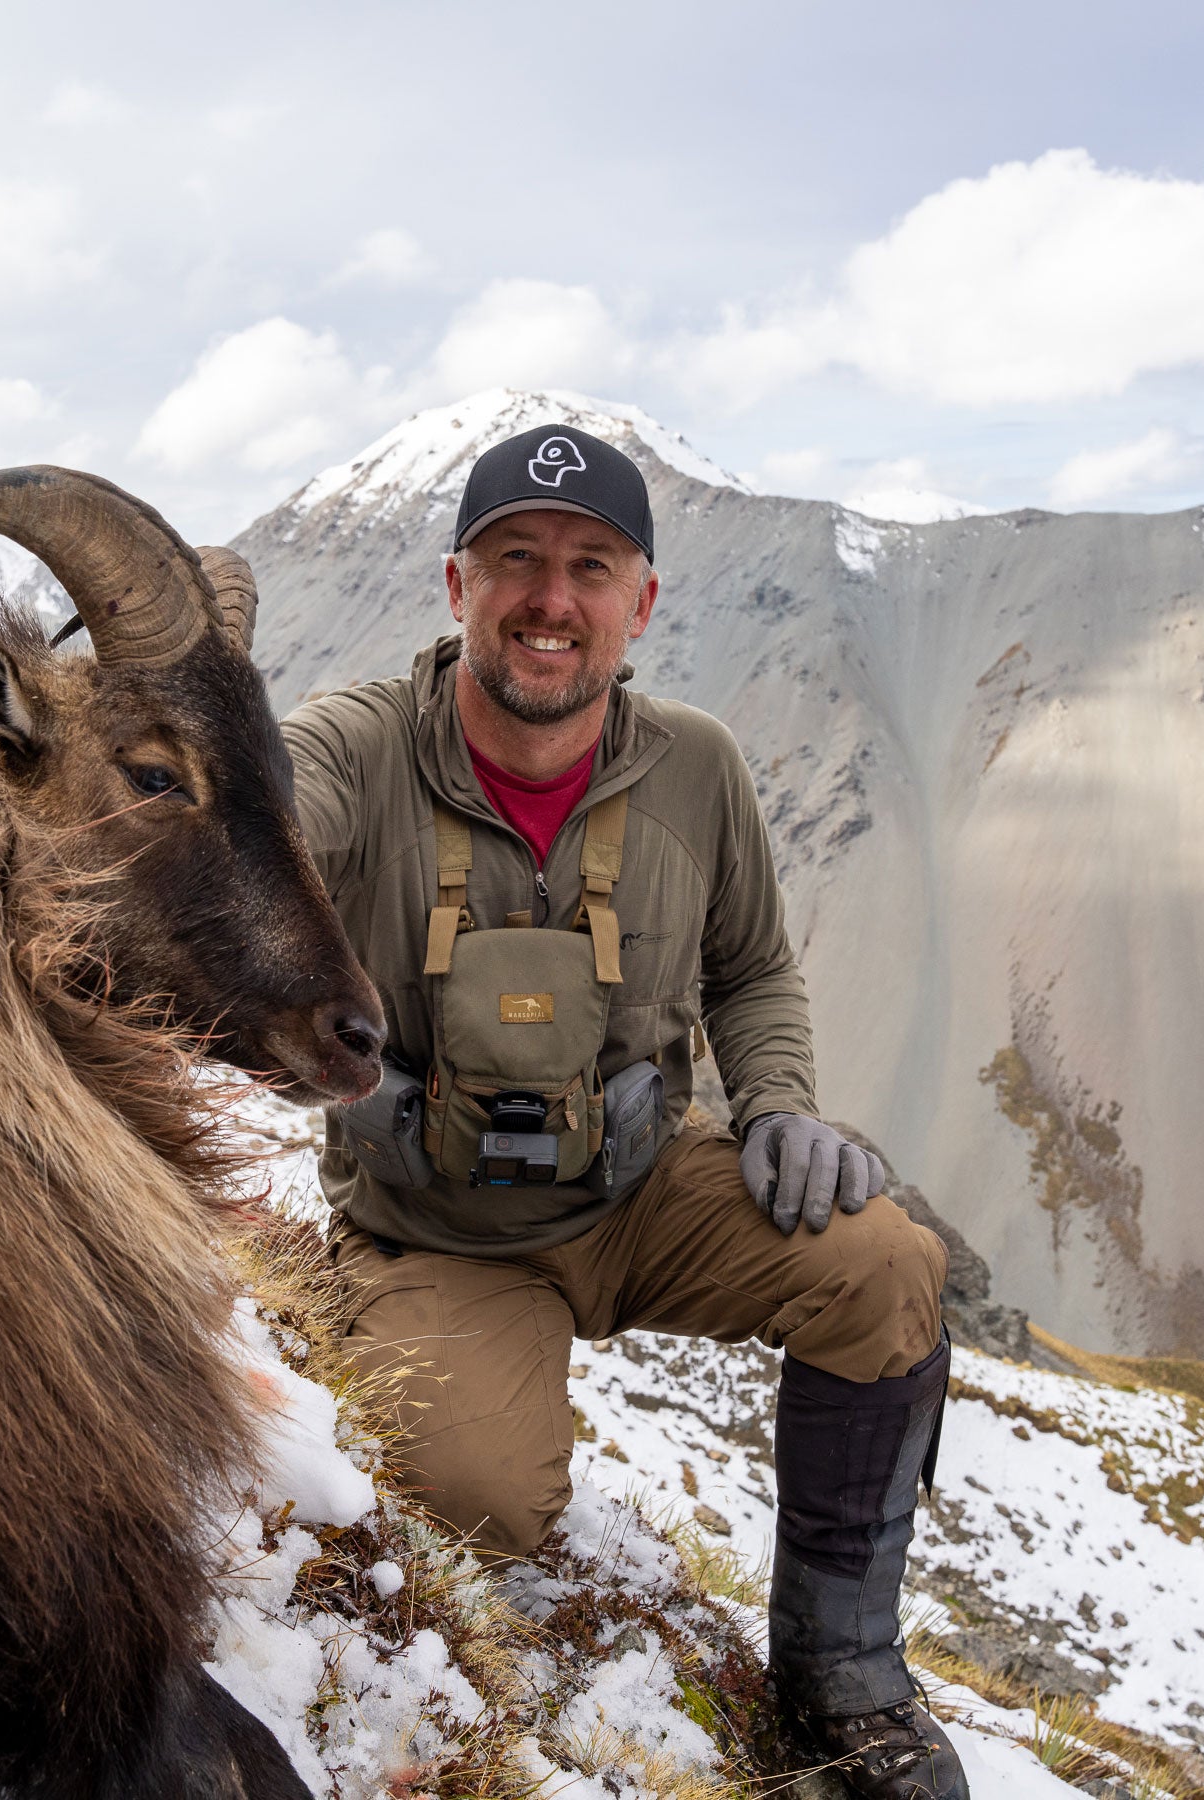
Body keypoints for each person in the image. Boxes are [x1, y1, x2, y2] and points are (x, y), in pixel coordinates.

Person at [282, 423, 966, 1799]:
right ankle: (396, 1339)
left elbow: (754, 967)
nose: (552, 600)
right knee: (475, 1498)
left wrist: (778, 1106)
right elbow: (265, 824)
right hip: (431, 1232)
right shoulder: (355, 751)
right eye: (515, 562)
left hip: (647, 1195)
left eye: (591, 567)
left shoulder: (696, 770)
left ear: (641, 602)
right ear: (456, 582)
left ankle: (844, 1674)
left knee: (887, 1266)